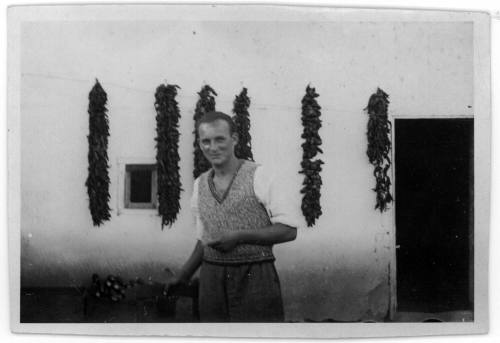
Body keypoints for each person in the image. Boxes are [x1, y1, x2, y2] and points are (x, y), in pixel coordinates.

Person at [165, 111, 299, 322]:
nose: (213, 147)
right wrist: (184, 275)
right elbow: (204, 239)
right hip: (211, 278)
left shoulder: (260, 175)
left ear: (234, 139)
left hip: (254, 275)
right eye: (206, 141)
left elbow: (289, 230)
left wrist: (239, 236)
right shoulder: (200, 184)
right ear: (200, 144)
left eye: (220, 139)